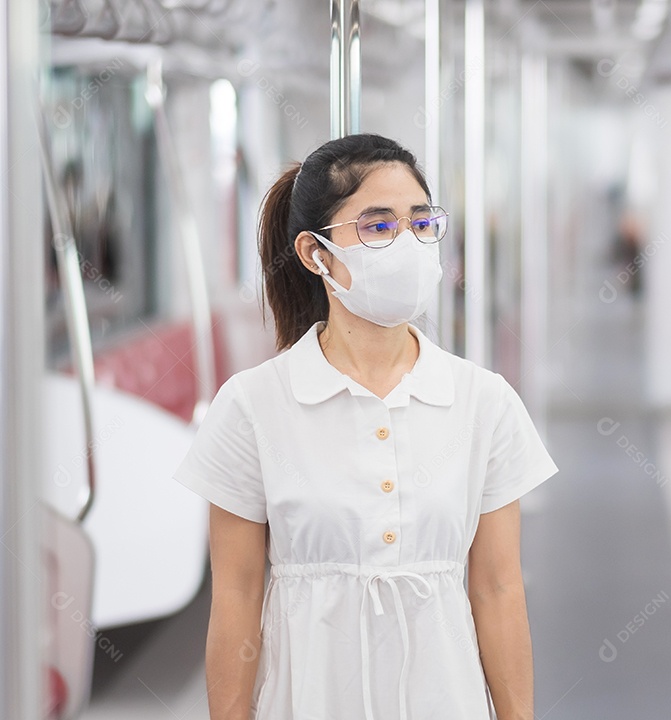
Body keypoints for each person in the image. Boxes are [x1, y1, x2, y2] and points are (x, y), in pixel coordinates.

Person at [173, 133, 559, 720]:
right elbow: (236, 598)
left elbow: (498, 591)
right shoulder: (253, 406)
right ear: (315, 253)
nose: (406, 243)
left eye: (421, 223)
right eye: (377, 227)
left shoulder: (484, 402)